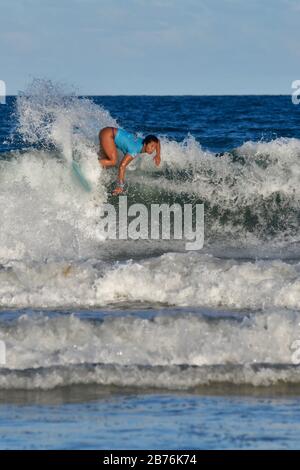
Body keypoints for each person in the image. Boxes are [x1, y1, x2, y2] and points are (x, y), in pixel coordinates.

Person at [98, 127, 161, 195]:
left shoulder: (143, 141)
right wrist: (120, 186)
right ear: (145, 144)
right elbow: (122, 166)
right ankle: (89, 164)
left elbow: (158, 141)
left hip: (108, 132)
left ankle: (90, 167)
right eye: (151, 146)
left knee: (104, 162)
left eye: (154, 147)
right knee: (113, 161)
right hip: (109, 135)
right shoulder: (134, 150)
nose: (153, 149)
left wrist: (158, 155)